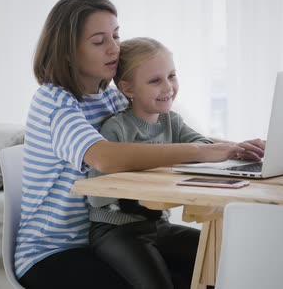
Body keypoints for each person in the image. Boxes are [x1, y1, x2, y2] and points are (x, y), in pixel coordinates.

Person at [15, 0, 265, 289]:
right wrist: (200, 151)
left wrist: (231, 148)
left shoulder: (109, 96)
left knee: (215, 265)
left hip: (119, 237)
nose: (113, 49)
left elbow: (162, 131)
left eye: (116, 37)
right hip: (54, 252)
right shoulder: (55, 101)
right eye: (99, 41)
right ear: (68, 51)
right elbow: (105, 156)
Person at [87, 37, 220, 289]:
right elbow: (97, 197)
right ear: (128, 89)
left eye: (171, 75)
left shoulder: (173, 122)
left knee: (218, 259)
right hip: (115, 231)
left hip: (159, 226)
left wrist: (231, 151)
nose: (168, 86)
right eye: (155, 80)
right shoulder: (115, 129)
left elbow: (204, 149)